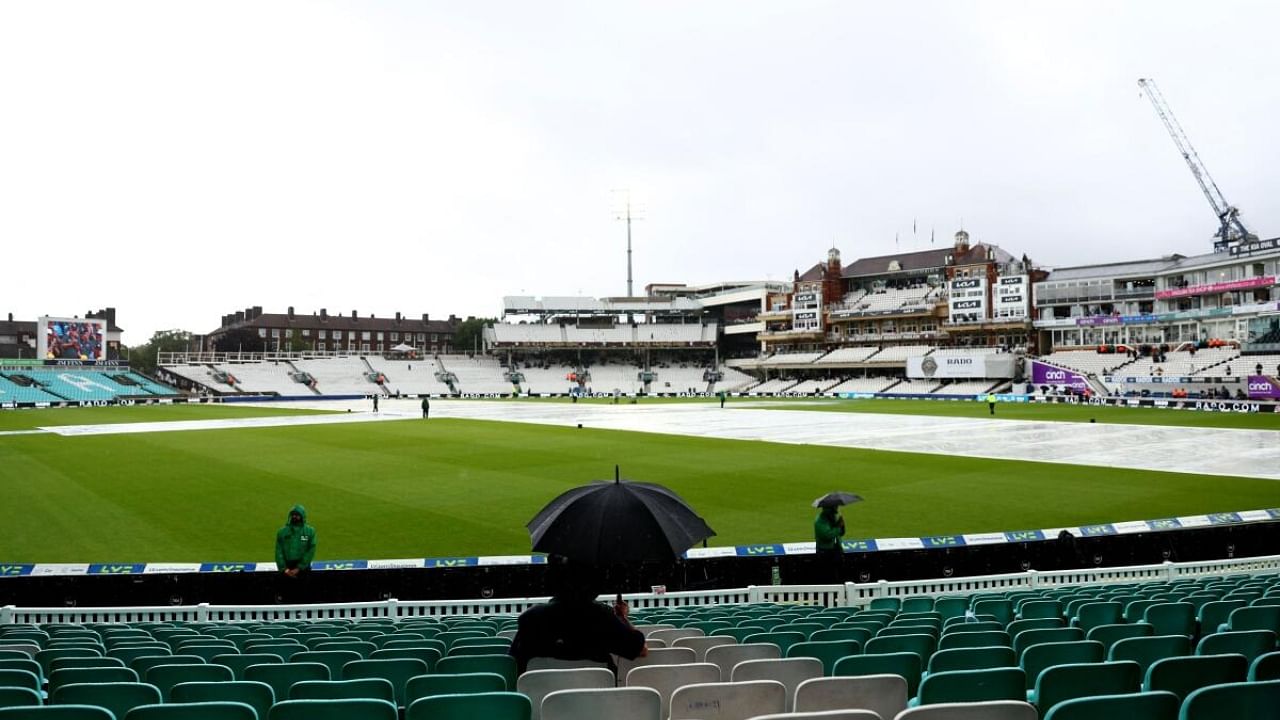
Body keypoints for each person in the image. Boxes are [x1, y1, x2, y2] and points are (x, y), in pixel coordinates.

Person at [508, 560, 647, 675]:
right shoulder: (602, 617)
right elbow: (641, 650)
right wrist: (623, 618)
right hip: (599, 703)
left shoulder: (530, 618)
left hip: (539, 704)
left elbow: (514, 665)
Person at [275, 504, 317, 578]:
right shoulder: (282, 532)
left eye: (297, 515)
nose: (294, 516)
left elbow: (311, 550)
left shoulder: (310, 531)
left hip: (304, 569)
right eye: (293, 514)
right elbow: (279, 551)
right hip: (287, 569)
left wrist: (299, 567)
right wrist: (284, 569)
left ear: (302, 516)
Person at [814, 504, 846, 582]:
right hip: (825, 553)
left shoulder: (832, 517)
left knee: (839, 576)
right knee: (828, 577)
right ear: (829, 508)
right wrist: (838, 527)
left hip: (836, 550)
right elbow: (827, 536)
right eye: (835, 506)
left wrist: (842, 525)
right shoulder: (820, 521)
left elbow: (841, 533)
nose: (837, 508)